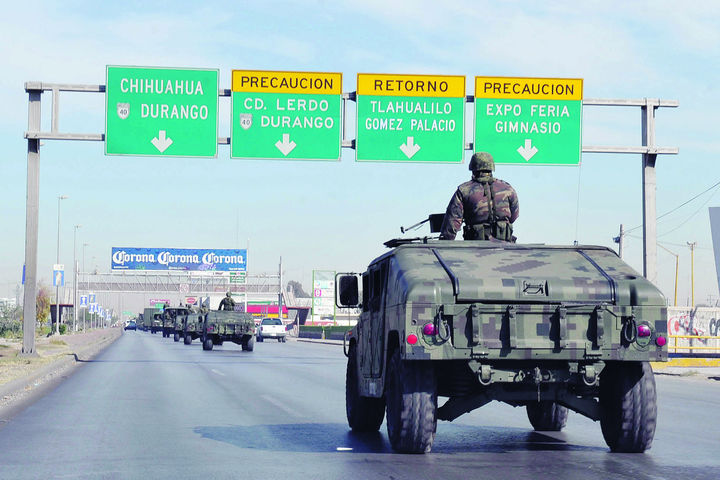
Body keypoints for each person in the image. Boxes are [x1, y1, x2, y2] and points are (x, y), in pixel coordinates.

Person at [439, 152, 519, 241]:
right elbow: (514, 216)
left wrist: (444, 244)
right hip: (505, 248)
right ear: (491, 168)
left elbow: (452, 224)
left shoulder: (464, 190)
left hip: (475, 249)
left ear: (473, 169)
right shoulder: (507, 189)